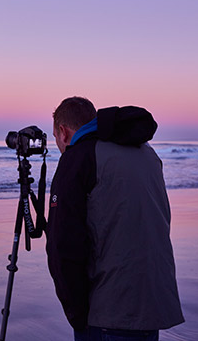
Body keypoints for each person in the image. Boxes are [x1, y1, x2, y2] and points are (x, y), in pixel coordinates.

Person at [47, 96, 184, 341]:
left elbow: (63, 245)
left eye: (56, 139)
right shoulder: (146, 153)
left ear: (63, 132)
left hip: (107, 312)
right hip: (153, 304)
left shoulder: (79, 157)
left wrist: (77, 314)